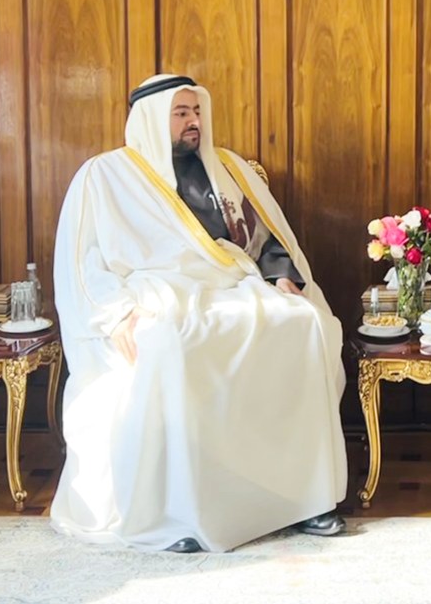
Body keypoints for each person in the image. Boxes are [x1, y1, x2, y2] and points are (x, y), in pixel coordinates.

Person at [51, 74, 347, 553]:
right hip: (154, 293)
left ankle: (304, 499)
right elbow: (82, 261)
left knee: (303, 322)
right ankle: (177, 515)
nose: (194, 122)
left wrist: (280, 275)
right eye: (181, 113)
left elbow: (263, 235)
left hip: (231, 284)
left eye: (196, 112)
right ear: (152, 119)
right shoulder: (104, 176)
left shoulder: (226, 167)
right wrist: (116, 314)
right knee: (171, 338)